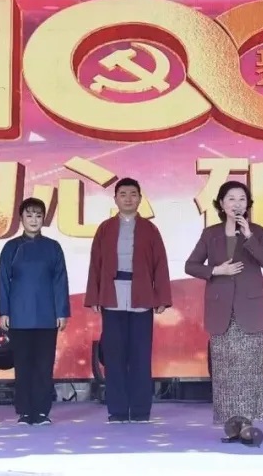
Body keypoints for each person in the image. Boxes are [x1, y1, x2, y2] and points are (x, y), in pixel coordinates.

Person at [185, 181, 263, 440]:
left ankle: (247, 424)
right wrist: (217, 270)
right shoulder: (210, 234)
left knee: (249, 370)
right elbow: (191, 265)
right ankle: (232, 426)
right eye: (231, 199)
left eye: (242, 199)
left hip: (250, 308)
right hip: (221, 309)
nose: (237, 204)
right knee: (226, 373)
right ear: (221, 204)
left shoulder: (257, 231)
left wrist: (249, 237)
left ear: (248, 205)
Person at [84, 178, 171, 424]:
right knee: (114, 356)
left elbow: (160, 264)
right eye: (123, 194)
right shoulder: (105, 228)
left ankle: (141, 410)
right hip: (112, 297)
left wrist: (162, 297)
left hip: (141, 296)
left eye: (133, 194)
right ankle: (118, 410)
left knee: (141, 356)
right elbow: (95, 264)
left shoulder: (150, 229)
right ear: (115, 199)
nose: (128, 198)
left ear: (140, 199)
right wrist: (94, 296)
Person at [0, 198, 70, 426]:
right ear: (21, 218)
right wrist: (4, 311)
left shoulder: (53, 247)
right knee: (23, 365)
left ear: (43, 219)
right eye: (29, 215)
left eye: (38, 216)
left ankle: (41, 411)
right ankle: (25, 411)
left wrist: (62, 312)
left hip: (47, 315)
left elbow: (60, 281)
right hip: (19, 315)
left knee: (43, 366)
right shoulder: (11, 247)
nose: (34, 220)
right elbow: (3, 281)